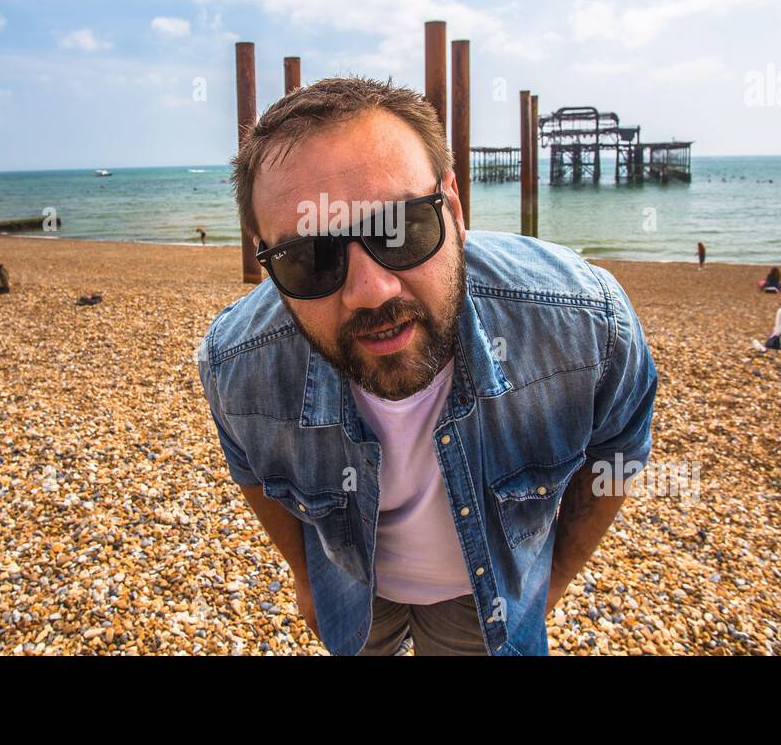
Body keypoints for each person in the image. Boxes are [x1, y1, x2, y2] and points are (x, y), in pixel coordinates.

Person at [197, 77, 658, 657]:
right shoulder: (238, 365)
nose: (371, 290)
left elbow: (618, 449)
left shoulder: (584, 324)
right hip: (354, 591)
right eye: (310, 259)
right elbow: (248, 468)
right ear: (266, 265)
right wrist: (307, 579)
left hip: (486, 597)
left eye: (402, 228)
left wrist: (554, 579)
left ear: (456, 207)